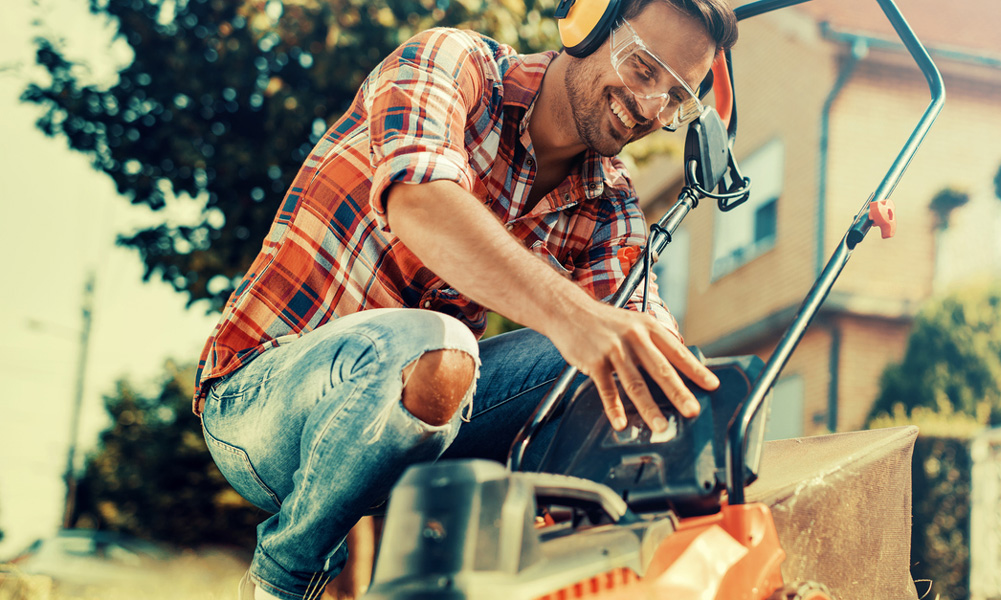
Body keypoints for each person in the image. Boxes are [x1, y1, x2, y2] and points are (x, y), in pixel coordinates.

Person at [193, 0, 738, 598]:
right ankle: (279, 580)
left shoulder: (610, 203)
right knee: (439, 344)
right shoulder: (455, 63)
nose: (649, 107)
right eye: (643, 68)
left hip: (418, 434)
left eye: (676, 97)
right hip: (260, 402)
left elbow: (643, 339)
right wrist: (575, 317)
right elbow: (420, 203)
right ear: (588, 20)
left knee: (618, 372)